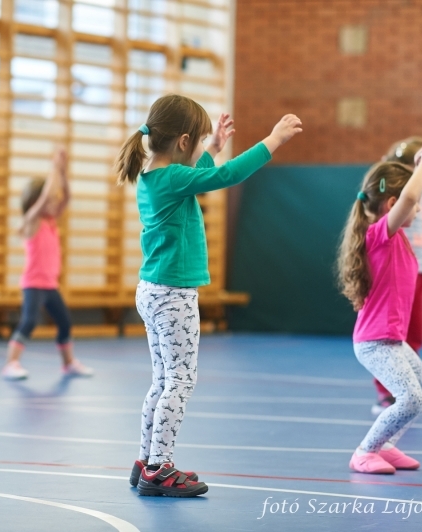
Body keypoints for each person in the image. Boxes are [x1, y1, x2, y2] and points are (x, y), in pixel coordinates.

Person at [115, 94, 302, 496]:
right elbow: (225, 176)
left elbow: (202, 171)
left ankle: (147, 460)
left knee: (163, 380)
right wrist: (273, 140)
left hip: (152, 289)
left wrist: (213, 146)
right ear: (183, 142)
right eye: (198, 142)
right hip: (173, 295)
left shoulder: (153, 175)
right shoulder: (172, 179)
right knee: (181, 381)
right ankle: (159, 469)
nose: (203, 149)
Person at [337, 150, 422, 474]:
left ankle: (387, 446)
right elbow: (410, 197)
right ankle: (365, 452)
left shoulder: (398, 239)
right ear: (393, 205)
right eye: (414, 203)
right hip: (375, 341)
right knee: (409, 397)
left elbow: (407, 197)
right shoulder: (379, 235)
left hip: (391, 339)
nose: (418, 207)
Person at [1, 148, 93, 380]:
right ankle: (11, 363)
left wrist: (62, 172)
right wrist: (53, 167)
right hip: (33, 284)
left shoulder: (51, 222)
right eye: (50, 199)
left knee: (64, 322)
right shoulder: (32, 221)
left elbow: (67, 197)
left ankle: (68, 363)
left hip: (50, 285)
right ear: (35, 201)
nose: (55, 202)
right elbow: (43, 200)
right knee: (29, 322)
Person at [370, 137, 422, 415]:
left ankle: (411, 386)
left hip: (420, 270)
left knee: (414, 334)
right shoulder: (406, 196)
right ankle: (386, 391)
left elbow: (415, 232)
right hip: (398, 274)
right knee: (392, 335)